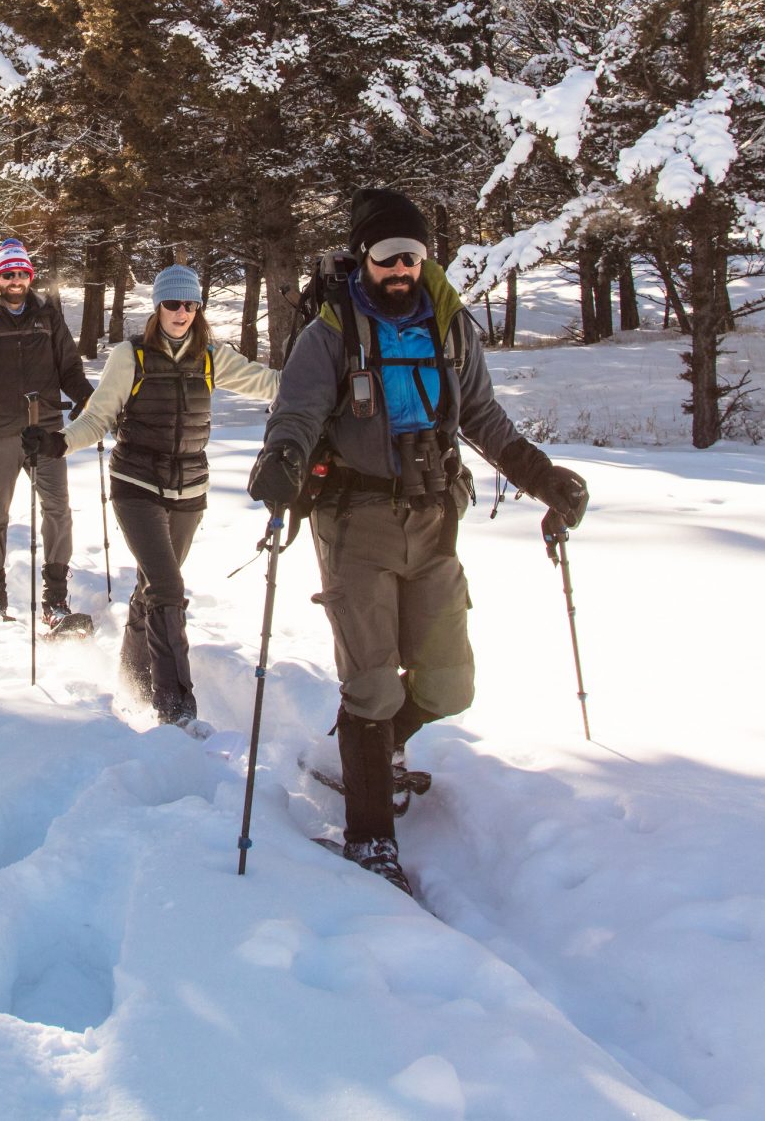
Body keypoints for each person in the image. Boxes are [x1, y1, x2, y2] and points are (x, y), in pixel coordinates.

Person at [252, 187, 589, 892]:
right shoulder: (331, 331)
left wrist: (541, 475)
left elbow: (484, 417)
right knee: (371, 682)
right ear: (363, 257)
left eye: (412, 255)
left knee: (448, 681)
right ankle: (371, 836)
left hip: (435, 518)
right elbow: (298, 411)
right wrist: (282, 462)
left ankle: (374, 753)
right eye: (386, 256)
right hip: (356, 521)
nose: (401, 268)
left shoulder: (449, 325)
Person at [59, 264, 277, 730]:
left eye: (191, 305)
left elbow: (269, 383)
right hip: (136, 487)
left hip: (189, 491)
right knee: (168, 590)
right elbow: (98, 417)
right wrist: (58, 443)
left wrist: (322, 382)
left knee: (151, 590)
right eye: (174, 304)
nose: (183, 312)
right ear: (158, 307)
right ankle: (176, 708)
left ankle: (132, 682)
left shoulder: (212, 356)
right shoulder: (130, 355)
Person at [0, 239, 90, 622]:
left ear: (30, 276)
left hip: (44, 427)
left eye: (22, 273)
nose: (16, 280)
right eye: (8, 274)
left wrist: (88, 398)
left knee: (58, 509)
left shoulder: (48, 316)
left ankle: (55, 597)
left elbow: (70, 367)